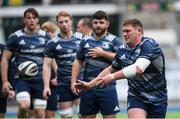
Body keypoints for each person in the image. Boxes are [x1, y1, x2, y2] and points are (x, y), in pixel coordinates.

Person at [75, 18, 168, 118]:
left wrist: (112, 77)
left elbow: (138, 69)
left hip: (157, 98)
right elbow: (110, 69)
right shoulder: (122, 50)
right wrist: (90, 85)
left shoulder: (150, 45)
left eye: (128, 31)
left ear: (139, 31)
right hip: (136, 97)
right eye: (123, 31)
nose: (124, 34)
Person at [71, 10, 123, 118]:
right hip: (88, 88)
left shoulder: (115, 41)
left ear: (107, 24)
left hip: (107, 88)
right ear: (92, 24)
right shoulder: (85, 40)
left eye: (101, 22)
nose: (98, 25)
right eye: (95, 22)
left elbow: (121, 58)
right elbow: (78, 61)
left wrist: (102, 53)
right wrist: (73, 82)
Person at [1, 8, 51, 118]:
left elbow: (49, 61)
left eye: (34, 18)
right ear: (24, 20)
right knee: (24, 106)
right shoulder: (15, 37)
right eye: (29, 18)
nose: (31, 20)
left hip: (39, 80)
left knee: (39, 113)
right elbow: (5, 58)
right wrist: (5, 81)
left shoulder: (45, 37)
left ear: (38, 20)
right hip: (22, 79)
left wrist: (47, 84)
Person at [43, 11, 83, 118]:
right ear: (57, 23)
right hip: (63, 83)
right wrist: (46, 86)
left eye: (66, 21)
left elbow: (89, 60)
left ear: (71, 22)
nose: (64, 24)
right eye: (61, 22)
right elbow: (46, 65)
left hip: (80, 82)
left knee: (83, 115)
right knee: (66, 116)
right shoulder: (52, 42)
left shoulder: (82, 38)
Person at [28, 21, 58, 118]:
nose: (48, 34)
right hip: (37, 82)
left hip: (52, 85)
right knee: (34, 112)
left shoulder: (59, 48)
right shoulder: (36, 48)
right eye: (45, 32)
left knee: (50, 114)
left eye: (50, 32)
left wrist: (57, 77)